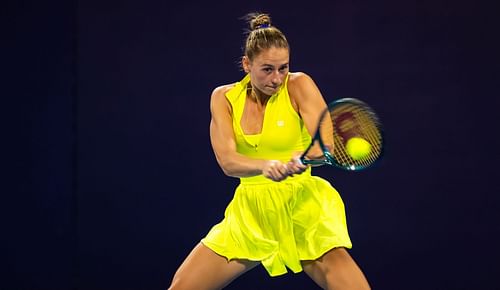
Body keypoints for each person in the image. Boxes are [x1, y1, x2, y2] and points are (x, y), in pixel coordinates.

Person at [168, 12, 371, 290]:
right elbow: (228, 162)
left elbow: (325, 145)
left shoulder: (299, 85)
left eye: (283, 68)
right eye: (267, 69)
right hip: (250, 214)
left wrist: (299, 159)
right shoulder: (223, 98)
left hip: (303, 209)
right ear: (246, 64)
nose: (277, 79)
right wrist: (266, 165)